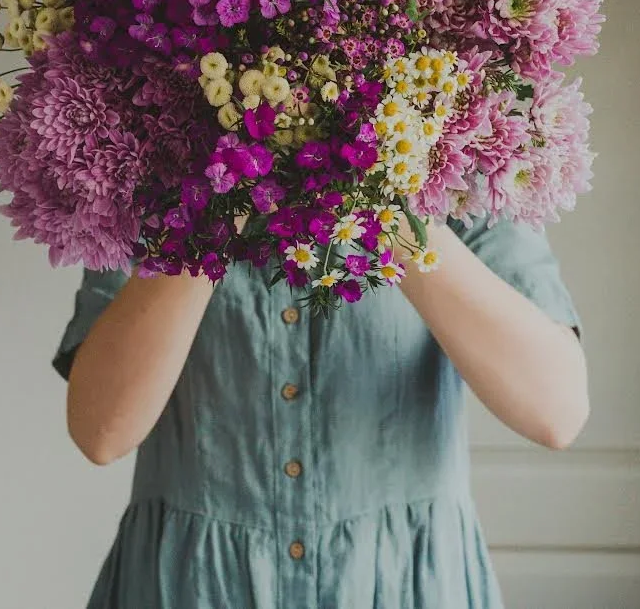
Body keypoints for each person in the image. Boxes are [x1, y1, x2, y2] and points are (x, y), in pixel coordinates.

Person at [52, 210, 589, 608]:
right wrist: (213, 206)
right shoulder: (146, 163)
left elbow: (556, 411)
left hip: (406, 587)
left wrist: (395, 205)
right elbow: (102, 431)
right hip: (193, 587)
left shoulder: (465, 155)